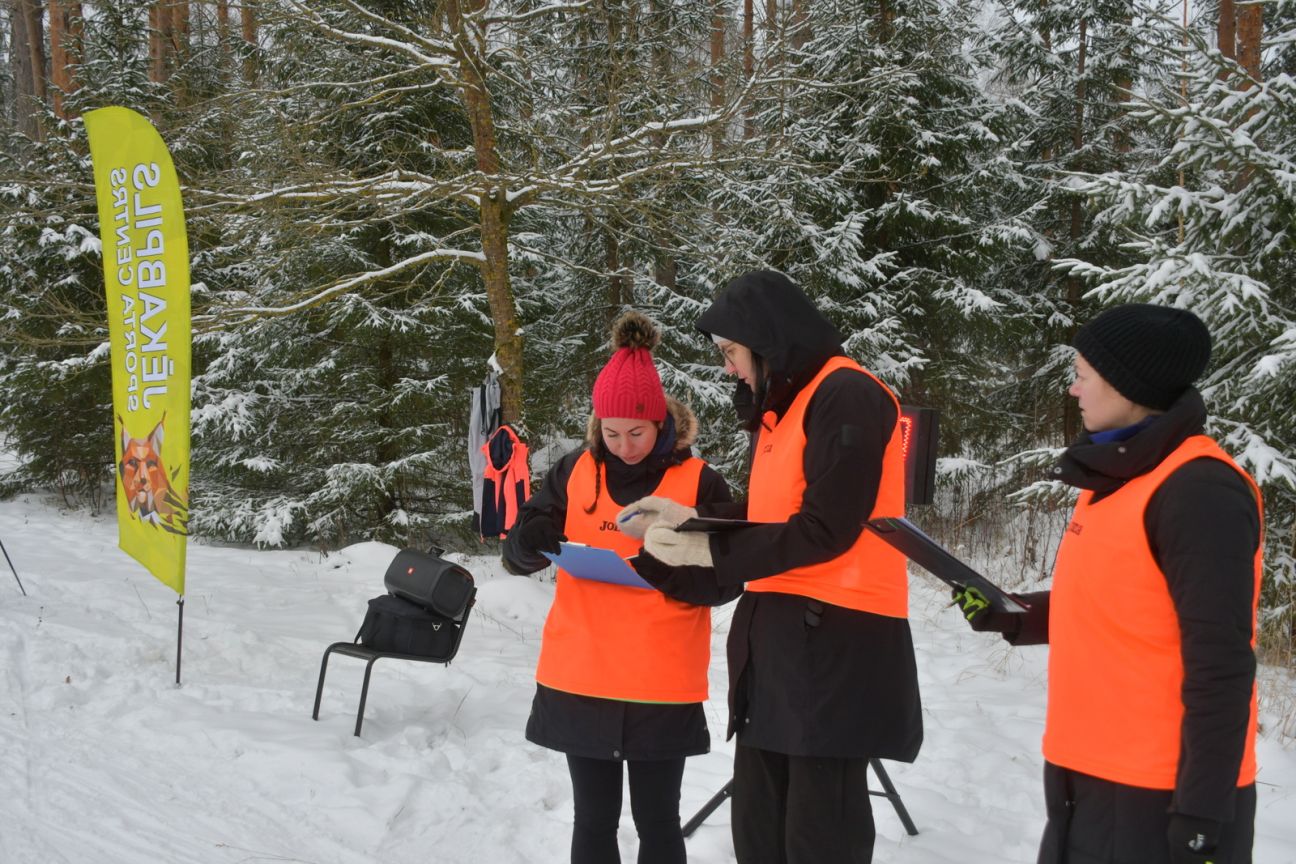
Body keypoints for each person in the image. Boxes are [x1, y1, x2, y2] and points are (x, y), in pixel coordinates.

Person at [623, 270, 922, 864]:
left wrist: (710, 550)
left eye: (731, 352)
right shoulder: (783, 411)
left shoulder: (846, 393)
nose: (728, 368)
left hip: (836, 645)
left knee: (818, 835)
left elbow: (827, 527)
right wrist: (693, 520)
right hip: (779, 641)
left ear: (767, 341)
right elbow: (772, 514)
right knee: (760, 832)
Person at [953, 303, 1263, 864]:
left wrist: (1203, 811)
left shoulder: (1199, 490)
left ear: (1128, 386)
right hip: (1087, 769)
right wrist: (1012, 613)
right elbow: (1120, 602)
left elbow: (1221, 660)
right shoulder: (1119, 477)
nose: (1073, 390)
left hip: (1160, 792)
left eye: (1082, 375)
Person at [503, 311, 737, 864]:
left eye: (637, 433)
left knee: (658, 822)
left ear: (661, 422)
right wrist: (529, 542)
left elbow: (729, 579)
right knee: (593, 820)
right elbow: (516, 558)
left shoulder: (699, 482)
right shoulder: (574, 471)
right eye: (611, 433)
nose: (624, 446)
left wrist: (665, 571)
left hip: (660, 682)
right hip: (581, 674)